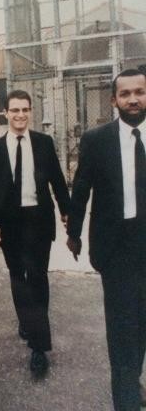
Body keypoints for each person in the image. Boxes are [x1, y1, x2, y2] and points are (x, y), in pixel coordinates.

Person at [67, 69, 146, 410]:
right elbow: (82, 188)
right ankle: (126, 400)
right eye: (125, 93)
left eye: (139, 92)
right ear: (113, 100)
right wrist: (73, 234)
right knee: (122, 332)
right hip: (118, 250)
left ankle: (135, 381)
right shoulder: (96, 140)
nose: (133, 99)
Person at [0, 89, 70, 376]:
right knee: (19, 277)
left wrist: (68, 214)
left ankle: (39, 347)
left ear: (31, 112)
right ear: (5, 113)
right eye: (14, 110)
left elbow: (57, 180)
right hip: (9, 223)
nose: (20, 115)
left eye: (25, 110)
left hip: (38, 219)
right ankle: (28, 320)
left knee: (39, 276)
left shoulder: (43, 143)